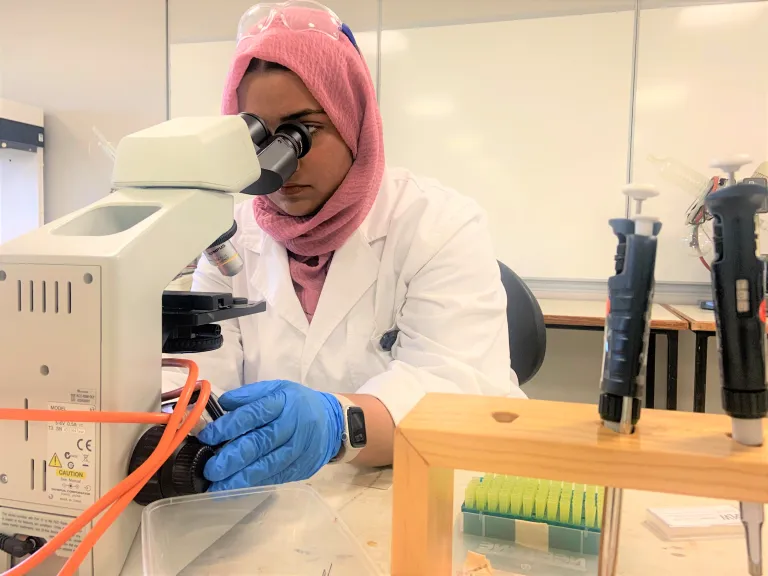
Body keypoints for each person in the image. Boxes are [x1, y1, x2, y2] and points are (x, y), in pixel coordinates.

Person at [164, 2, 525, 492]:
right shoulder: (230, 238)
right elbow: (198, 376)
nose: (279, 164)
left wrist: (339, 425)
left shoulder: (438, 223)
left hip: (412, 490)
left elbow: (457, 391)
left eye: (303, 131)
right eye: (257, 135)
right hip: (271, 502)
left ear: (352, 119)